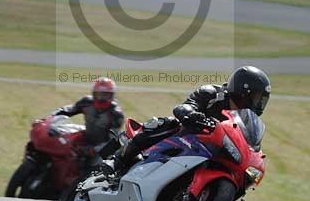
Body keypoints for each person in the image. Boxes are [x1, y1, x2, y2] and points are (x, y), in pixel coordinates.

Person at [106, 66, 271, 176]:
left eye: (262, 100)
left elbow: (249, 144)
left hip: (212, 153)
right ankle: (117, 162)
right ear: (243, 92)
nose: (258, 104)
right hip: (186, 138)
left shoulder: (246, 121)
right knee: (166, 123)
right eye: (256, 98)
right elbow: (186, 106)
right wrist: (192, 115)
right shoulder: (212, 93)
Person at [53, 77, 125, 170]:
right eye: (99, 94)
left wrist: (94, 149)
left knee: (91, 169)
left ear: (111, 96)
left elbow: (112, 140)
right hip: (86, 138)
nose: (102, 98)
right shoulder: (86, 102)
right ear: (94, 94)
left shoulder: (116, 113)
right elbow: (68, 110)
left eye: (105, 95)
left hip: (102, 148)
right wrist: (52, 116)